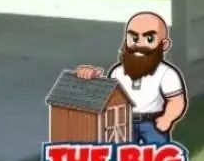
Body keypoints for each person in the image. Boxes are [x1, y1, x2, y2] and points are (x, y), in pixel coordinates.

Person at [75, 10, 187, 145]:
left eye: (149, 39)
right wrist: (91, 77)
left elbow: (176, 101)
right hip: (123, 122)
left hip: (153, 123)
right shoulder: (118, 72)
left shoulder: (166, 73)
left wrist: (167, 118)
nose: (139, 45)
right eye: (134, 39)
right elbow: (110, 97)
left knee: (158, 156)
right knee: (121, 156)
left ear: (164, 45)